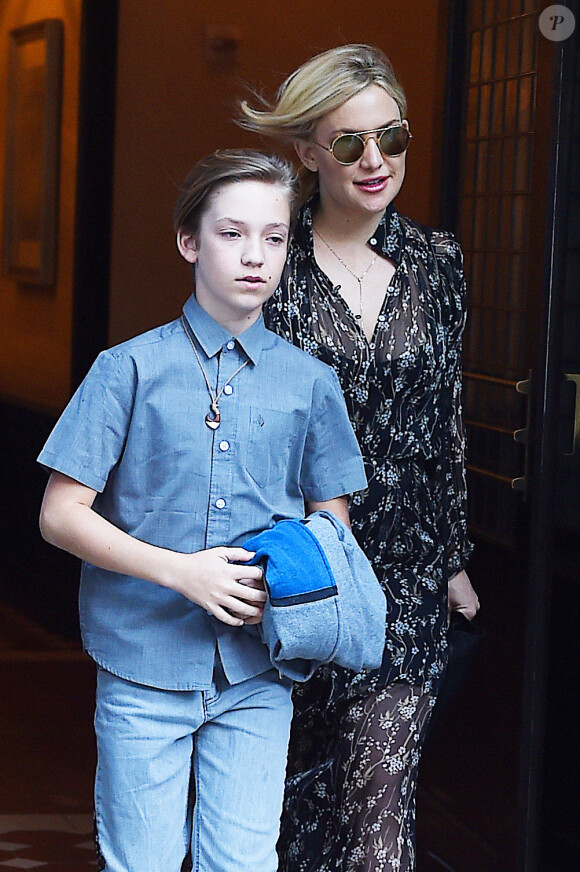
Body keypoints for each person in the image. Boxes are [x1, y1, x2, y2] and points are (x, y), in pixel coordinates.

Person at [37, 149, 367, 872]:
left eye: (275, 238)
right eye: (231, 233)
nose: (256, 256)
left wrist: (286, 590)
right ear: (190, 242)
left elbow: (331, 530)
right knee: (143, 862)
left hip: (258, 673)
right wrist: (183, 574)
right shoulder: (127, 369)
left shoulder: (311, 384)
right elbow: (60, 515)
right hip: (141, 662)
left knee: (245, 861)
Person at [239, 45, 480, 872]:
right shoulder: (271, 262)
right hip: (299, 561)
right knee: (297, 804)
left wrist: (453, 557)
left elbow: (446, 415)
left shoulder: (438, 262)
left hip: (409, 571)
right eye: (349, 143)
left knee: (380, 803)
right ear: (308, 150)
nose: (375, 162)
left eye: (393, 138)